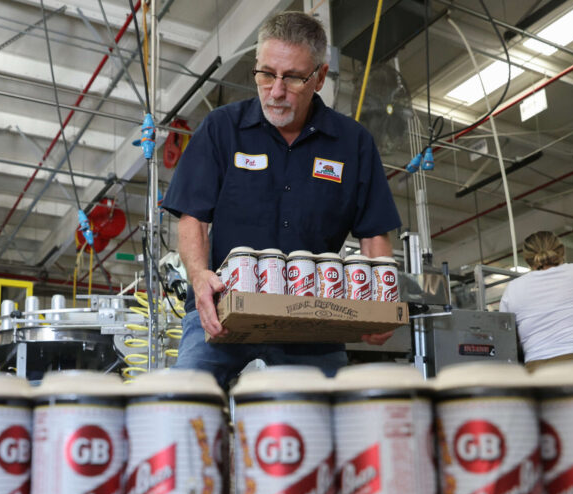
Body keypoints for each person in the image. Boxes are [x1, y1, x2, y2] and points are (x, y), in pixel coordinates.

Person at [161, 11, 401, 388]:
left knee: (324, 414)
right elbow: (193, 217)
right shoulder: (221, 129)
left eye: (292, 77)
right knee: (186, 402)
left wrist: (378, 304)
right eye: (266, 74)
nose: (275, 91)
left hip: (314, 324)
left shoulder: (353, 144)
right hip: (221, 314)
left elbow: (373, 234)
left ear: (319, 77)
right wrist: (198, 276)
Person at [498, 231, 573, 371]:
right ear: (561, 250)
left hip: (538, 371)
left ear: (527, 259)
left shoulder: (512, 289)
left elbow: (507, 336)